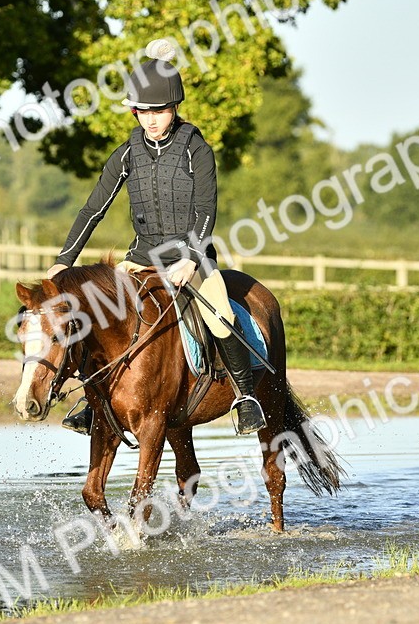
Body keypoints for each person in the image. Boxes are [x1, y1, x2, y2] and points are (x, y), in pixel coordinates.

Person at [44, 39, 267, 435]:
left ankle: (246, 396)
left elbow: (206, 213)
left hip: (191, 255)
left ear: (174, 107)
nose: (150, 119)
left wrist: (191, 260)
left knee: (220, 313)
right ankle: (92, 401)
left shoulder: (198, 150)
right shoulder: (127, 153)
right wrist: (65, 259)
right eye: (143, 112)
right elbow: (92, 208)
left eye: (159, 111)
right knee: (99, 312)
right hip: (141, 257)